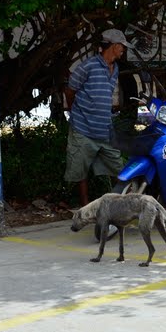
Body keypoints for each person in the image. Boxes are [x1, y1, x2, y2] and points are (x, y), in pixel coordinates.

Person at [64, 29, 131, 208]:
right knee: (81, 170)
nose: (124, 49)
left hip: (104, 128)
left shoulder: (115, 68)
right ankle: (85, 207)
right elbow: (70, 90)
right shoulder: (88, 66)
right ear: (114, 46)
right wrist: (73, 112)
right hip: (83, 127)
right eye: (122, 46)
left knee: (118, 167)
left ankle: (119, 203)